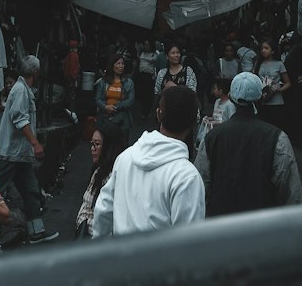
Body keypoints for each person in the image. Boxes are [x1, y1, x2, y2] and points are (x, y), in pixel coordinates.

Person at [91, 84, 205, 236]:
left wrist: (100, 252)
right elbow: (189, 242)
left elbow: (103, 210)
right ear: (193, 123)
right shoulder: (187, 176)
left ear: (158, 115)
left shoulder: (126, 157)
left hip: (119, 257)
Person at [194, 72, 302, 218]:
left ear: (232, 96)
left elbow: (200, 184)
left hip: (221, 225)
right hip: (264, 225)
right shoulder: (277, 137)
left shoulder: (211, 137)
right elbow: (291, 193)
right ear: (259, 96)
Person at [0, 55, 59, 244]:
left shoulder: (23, 89)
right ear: (35, 72)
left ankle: (36, 231)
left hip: (19, 155)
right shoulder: (20, 90)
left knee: (31, 191)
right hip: (10, 153)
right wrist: (35, 143)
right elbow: (20, 119)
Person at [73, 123, 125, 238]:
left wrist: (86, 223)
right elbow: (86, 205)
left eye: (97, 144)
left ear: (109, 147)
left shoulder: (115, 177)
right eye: (92, 144)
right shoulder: (99, 170)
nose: (92, 148)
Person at [94, 53, 136, 140]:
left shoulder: (129, 82)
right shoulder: (103, 82)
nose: (121, 66)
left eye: (122, 63)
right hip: (106, 118)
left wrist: (114, 107)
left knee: (122, 147)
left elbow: (130, 100)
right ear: (112, 65)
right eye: (118, 63)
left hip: (122, 120)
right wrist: (105, 107)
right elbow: (98, 99)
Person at [255, 37, 291, 130]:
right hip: (263, 100)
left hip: (276, 101)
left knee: (276, 127)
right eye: (262, 48)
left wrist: (279, 89)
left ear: (273, 51)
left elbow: (288, 83)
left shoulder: (279, 64)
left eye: (266, 48)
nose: (263, 51)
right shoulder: (259, 64)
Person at [135, 39, 159, 117]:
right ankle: (144, 107)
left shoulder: (154, 54)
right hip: (141, 75)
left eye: (147, 44)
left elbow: (155, 63)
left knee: (148, 94)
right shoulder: (142, 53)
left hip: (149, 76)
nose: (146, 46)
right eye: (145, 44)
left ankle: (146, 111)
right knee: (140, 93)